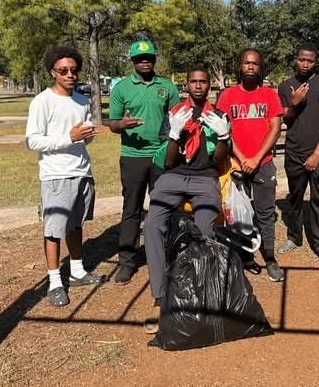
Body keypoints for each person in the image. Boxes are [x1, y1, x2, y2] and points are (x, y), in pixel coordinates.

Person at [144, 67, 230, 333]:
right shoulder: (174, 114)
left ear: (209, 86)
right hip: (174, 177)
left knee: (205, 227)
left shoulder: (219, 116)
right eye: (193, 81)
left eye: (203, 81)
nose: (198, 85)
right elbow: (169, 161)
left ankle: (206, 291)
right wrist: (174, 134)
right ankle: (160, 295)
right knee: (151, 225)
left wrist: (223, 136)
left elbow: (218, 163)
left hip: (205, 178)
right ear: (186, 85)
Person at [26, 45, 104, 307]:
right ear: (53, 72)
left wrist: (87, 137)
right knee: (54, 229)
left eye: (74, 70)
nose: (70, 75)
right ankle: (55, 281)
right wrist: (68, 137)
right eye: (63, 71)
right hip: (55, 175)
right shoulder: (42, 101)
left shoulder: (81, 102)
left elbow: (83, 141)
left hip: (82, 171)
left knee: (75, 224)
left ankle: (78, 271)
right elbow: (33, 141)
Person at [108, 39, 180, 285]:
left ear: (155, 59)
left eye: (149, 57)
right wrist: (122, 125)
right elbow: (113, 124)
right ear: (133, 61)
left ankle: (167, 257)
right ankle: (127, 261)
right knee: (132, 210)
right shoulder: (121, 88)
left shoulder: (167, 87)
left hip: (161, 156)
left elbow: (176, 121)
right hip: (132, 157)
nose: (145, 61)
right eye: (140, 58)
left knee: (165, 208)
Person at [217, 48, 285, 282]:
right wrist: (241, 158)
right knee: (238, 214)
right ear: (240, 66)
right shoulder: (227, 96)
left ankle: (270, 257)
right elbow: (223, 130)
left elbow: (275, 128)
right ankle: (244, 256)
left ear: (260, 67)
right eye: (247, 63)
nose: (251, 67)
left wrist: (256, 158)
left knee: (265, 213)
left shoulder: (270, 95)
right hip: (236, 164)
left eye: (255, 63)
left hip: (263, 163)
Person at [277, 43, 319, 267]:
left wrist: (317, 154)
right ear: (296, 59)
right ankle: (294, 237)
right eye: (302, 59)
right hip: (294, 152)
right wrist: (293, 104)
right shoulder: (286, 87)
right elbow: (285, 119)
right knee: (294, 198)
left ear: (315, 62)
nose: (305, 64)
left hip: (316, 155)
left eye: (310, 61)